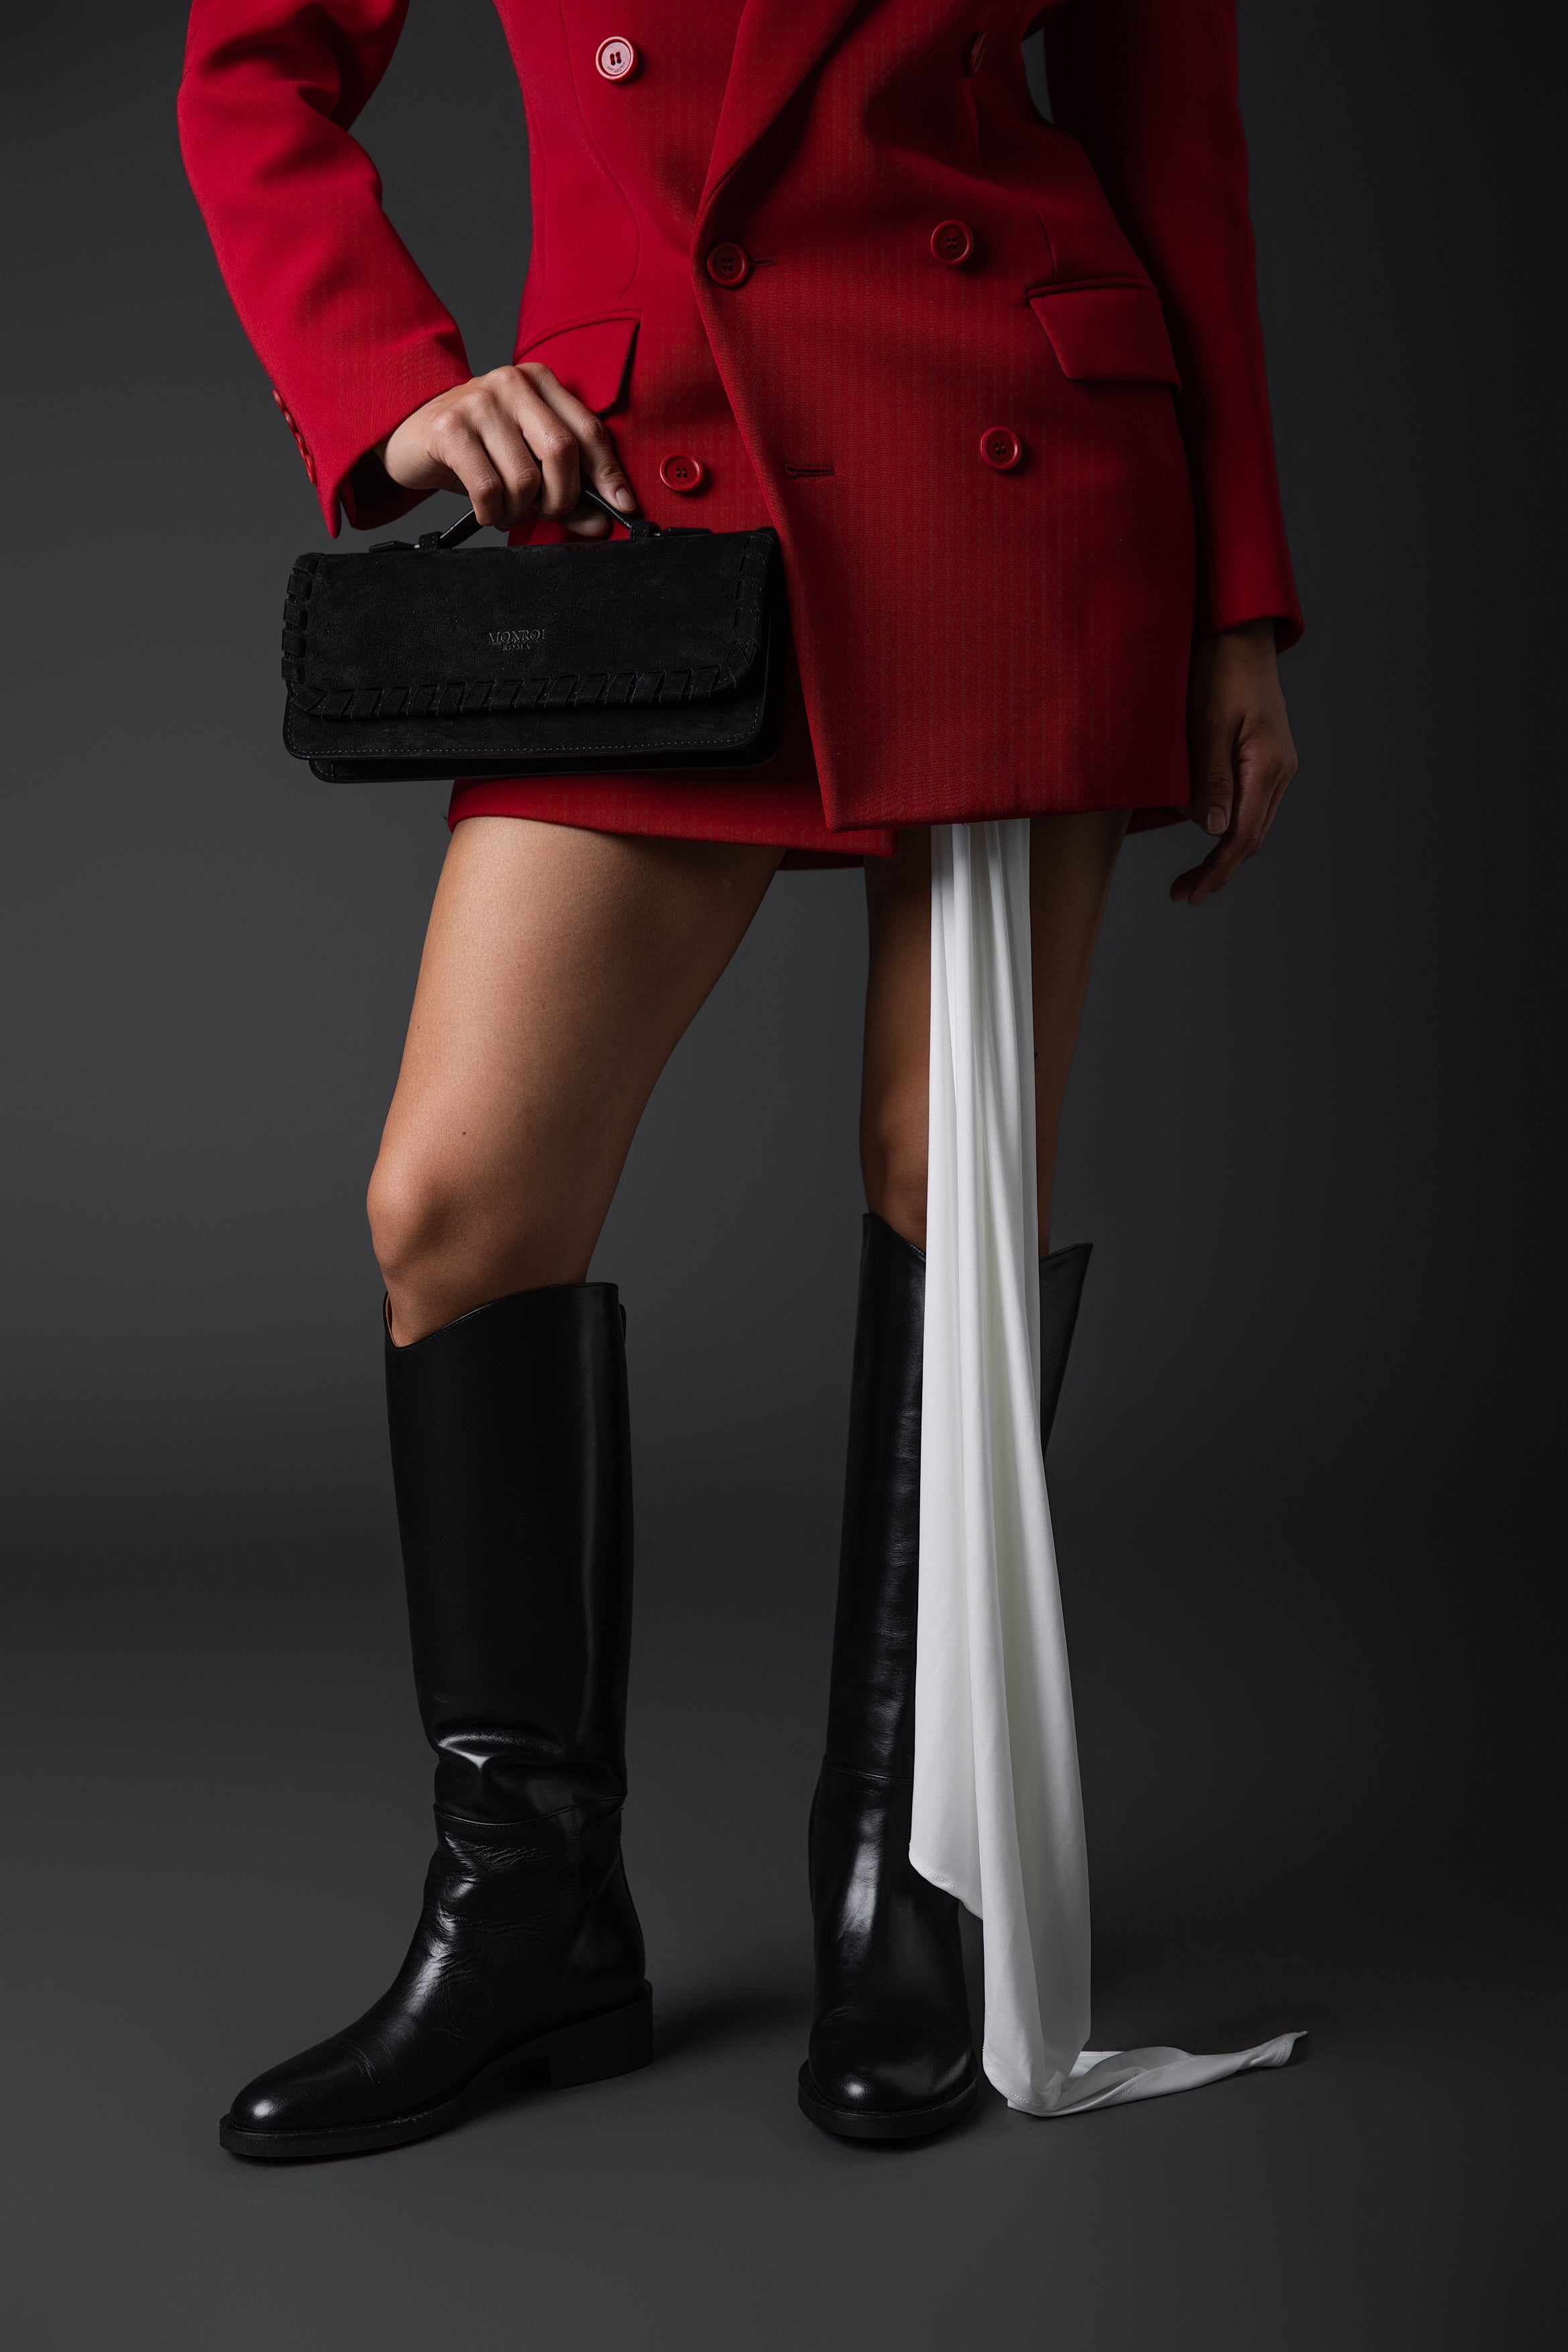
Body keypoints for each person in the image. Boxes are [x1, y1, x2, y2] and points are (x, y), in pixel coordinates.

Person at [179, 0, 1300, 2160]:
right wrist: (397, 384)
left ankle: (904, 1868)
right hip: (641, 481)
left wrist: (1235, 599)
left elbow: (1167, 129)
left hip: (1007, 457)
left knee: (945, 1164)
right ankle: (529, 1915)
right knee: (455, 1203)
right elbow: (252, 66)